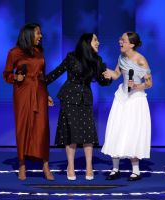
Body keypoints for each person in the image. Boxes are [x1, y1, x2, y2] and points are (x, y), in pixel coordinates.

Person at [45, 33, 112, 180]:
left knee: (88, 134)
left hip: (85, 99)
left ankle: (89, 166)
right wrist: (41, 86)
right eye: (95, 40)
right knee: (71, 134)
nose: (98, 42)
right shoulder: (71, 57)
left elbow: (102, 81)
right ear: (87, 42)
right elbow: (55, 74)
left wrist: (109, 77)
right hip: (69, 97)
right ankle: (71, 166)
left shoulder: (97, 60)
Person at [3, 23, 54, 181]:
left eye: (40, 33)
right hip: (23, 93)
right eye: (38, 33)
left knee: (42, 128)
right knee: (23, 127)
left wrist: (46, 94)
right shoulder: (14, 52)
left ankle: (45, 166)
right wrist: (15, 78)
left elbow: (42, 76)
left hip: (39, 92)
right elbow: (6, 74)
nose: (41, 36)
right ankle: (22, 165)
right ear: (28, 34)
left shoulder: (39, 52)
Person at [101, 32, 152, 181]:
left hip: (135, 100)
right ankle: (115, 169)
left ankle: (135, 171)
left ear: (132, 44)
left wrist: (136, 85)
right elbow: (116, 74)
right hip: (121, 98)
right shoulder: (121, 57)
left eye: (123, 40)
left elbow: (149, 83)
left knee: (133, 132)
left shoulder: (141, 60)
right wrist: (102, 71)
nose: (120, 42)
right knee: (116, 129)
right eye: (120, 39)